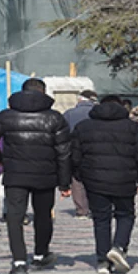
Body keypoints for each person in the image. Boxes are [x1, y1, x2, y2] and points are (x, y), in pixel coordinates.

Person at [0, 78, 72, 274]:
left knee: (15, 218)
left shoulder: (6, 116)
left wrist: (1, 160)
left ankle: (18, 261)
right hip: (45, 175)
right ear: (43, 92)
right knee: (43, 216)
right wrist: (64, 182)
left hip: (15, 173)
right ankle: (40, 254)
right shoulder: (55, 118)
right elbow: (64, 153)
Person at [71, 96, 138, 274]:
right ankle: (119, 247)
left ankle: (102, 261)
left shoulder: (84, 127)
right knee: (125, 215)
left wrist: (79, 175)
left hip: (94, 180)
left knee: (101, 219)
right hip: (124, 179)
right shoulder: (132, 128)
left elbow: (75, 156)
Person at [62, 90, 97, 220]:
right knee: (94, 178)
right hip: (94, 151)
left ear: (79, 99)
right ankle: (94, 206)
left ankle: (81, 209)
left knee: (76, 180)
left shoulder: (69, 114)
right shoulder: (97, 113)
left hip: (73, 150)